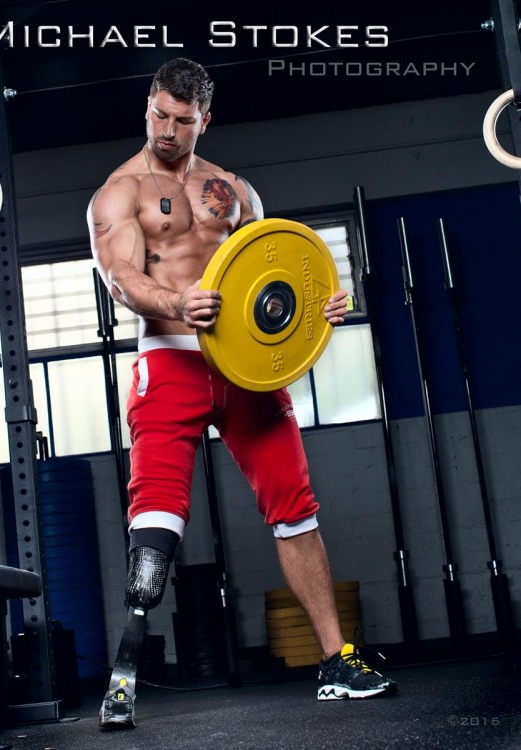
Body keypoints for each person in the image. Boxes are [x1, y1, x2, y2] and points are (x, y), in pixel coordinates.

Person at [88, 57, 397, 720]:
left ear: (205, 119)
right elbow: (120, 279)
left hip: (243, 368)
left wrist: (315, 309)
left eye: (182, 119)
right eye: (158, 114)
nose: (167, 130)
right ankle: (123, 675)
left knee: (296, 509)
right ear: (148, 105)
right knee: (157, 517)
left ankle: (336, 660)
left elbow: (272, 275)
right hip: (169, 360)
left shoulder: (233, 191)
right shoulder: (119, 193)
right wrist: (174, 302)